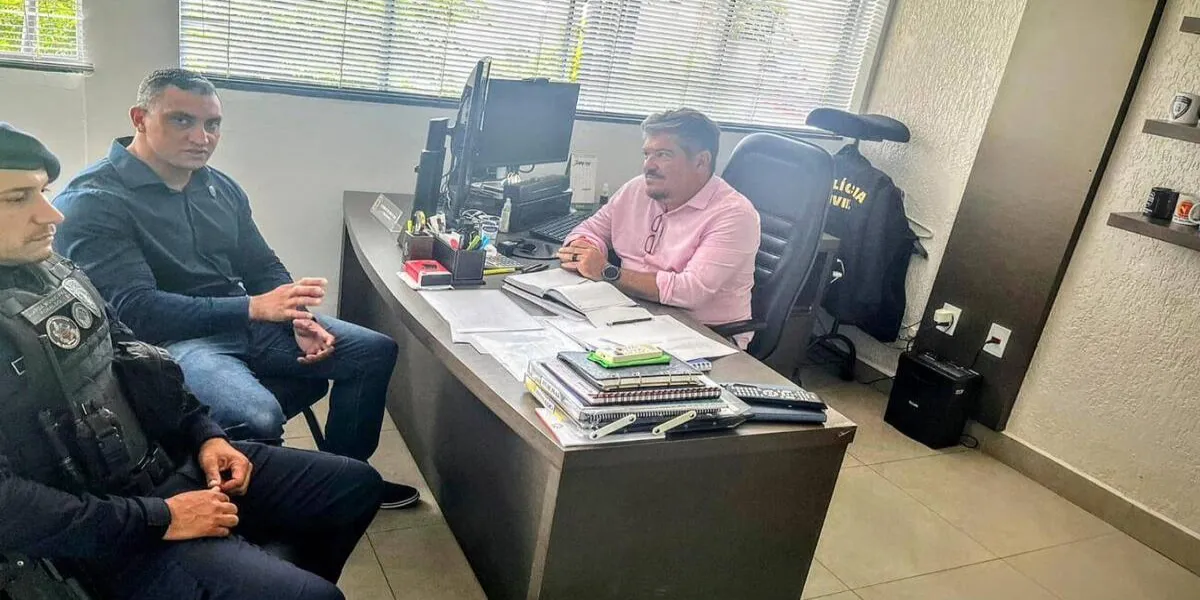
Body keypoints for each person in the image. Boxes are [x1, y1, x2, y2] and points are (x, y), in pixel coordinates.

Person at [0, 122, 382, 599]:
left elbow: (137, 357)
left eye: (42, 191)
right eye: (17, 198)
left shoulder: (51, 270)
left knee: (354, 485)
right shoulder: (96, 200)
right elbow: (10, 507)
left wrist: (206, 434)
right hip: (92, 535)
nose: (51, 214)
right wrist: (163, 518)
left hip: (160, 467)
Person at [52, 69, 417, 509]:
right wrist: (253, 308)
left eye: (212, 124)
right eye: (182, 120)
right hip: (173, 343)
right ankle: (264, 514)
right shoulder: (93, 201)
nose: (201, 137)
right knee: (256, 415)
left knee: (373, 351)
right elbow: (137, 312)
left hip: (244, 322)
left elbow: (261, 265)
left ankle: (341, 482)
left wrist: (298, 317)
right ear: (139, 118)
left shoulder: (219, 187)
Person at [558, 108, 760, 345]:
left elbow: (690, 291)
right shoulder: (637, 189)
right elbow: (591, 229)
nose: (649, 166)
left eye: (663, 155)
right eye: (647, 154)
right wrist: (582, 249)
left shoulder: (735, 215)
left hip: (704, 335)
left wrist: (606, 271)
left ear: (701, 161)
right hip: (631, 314)